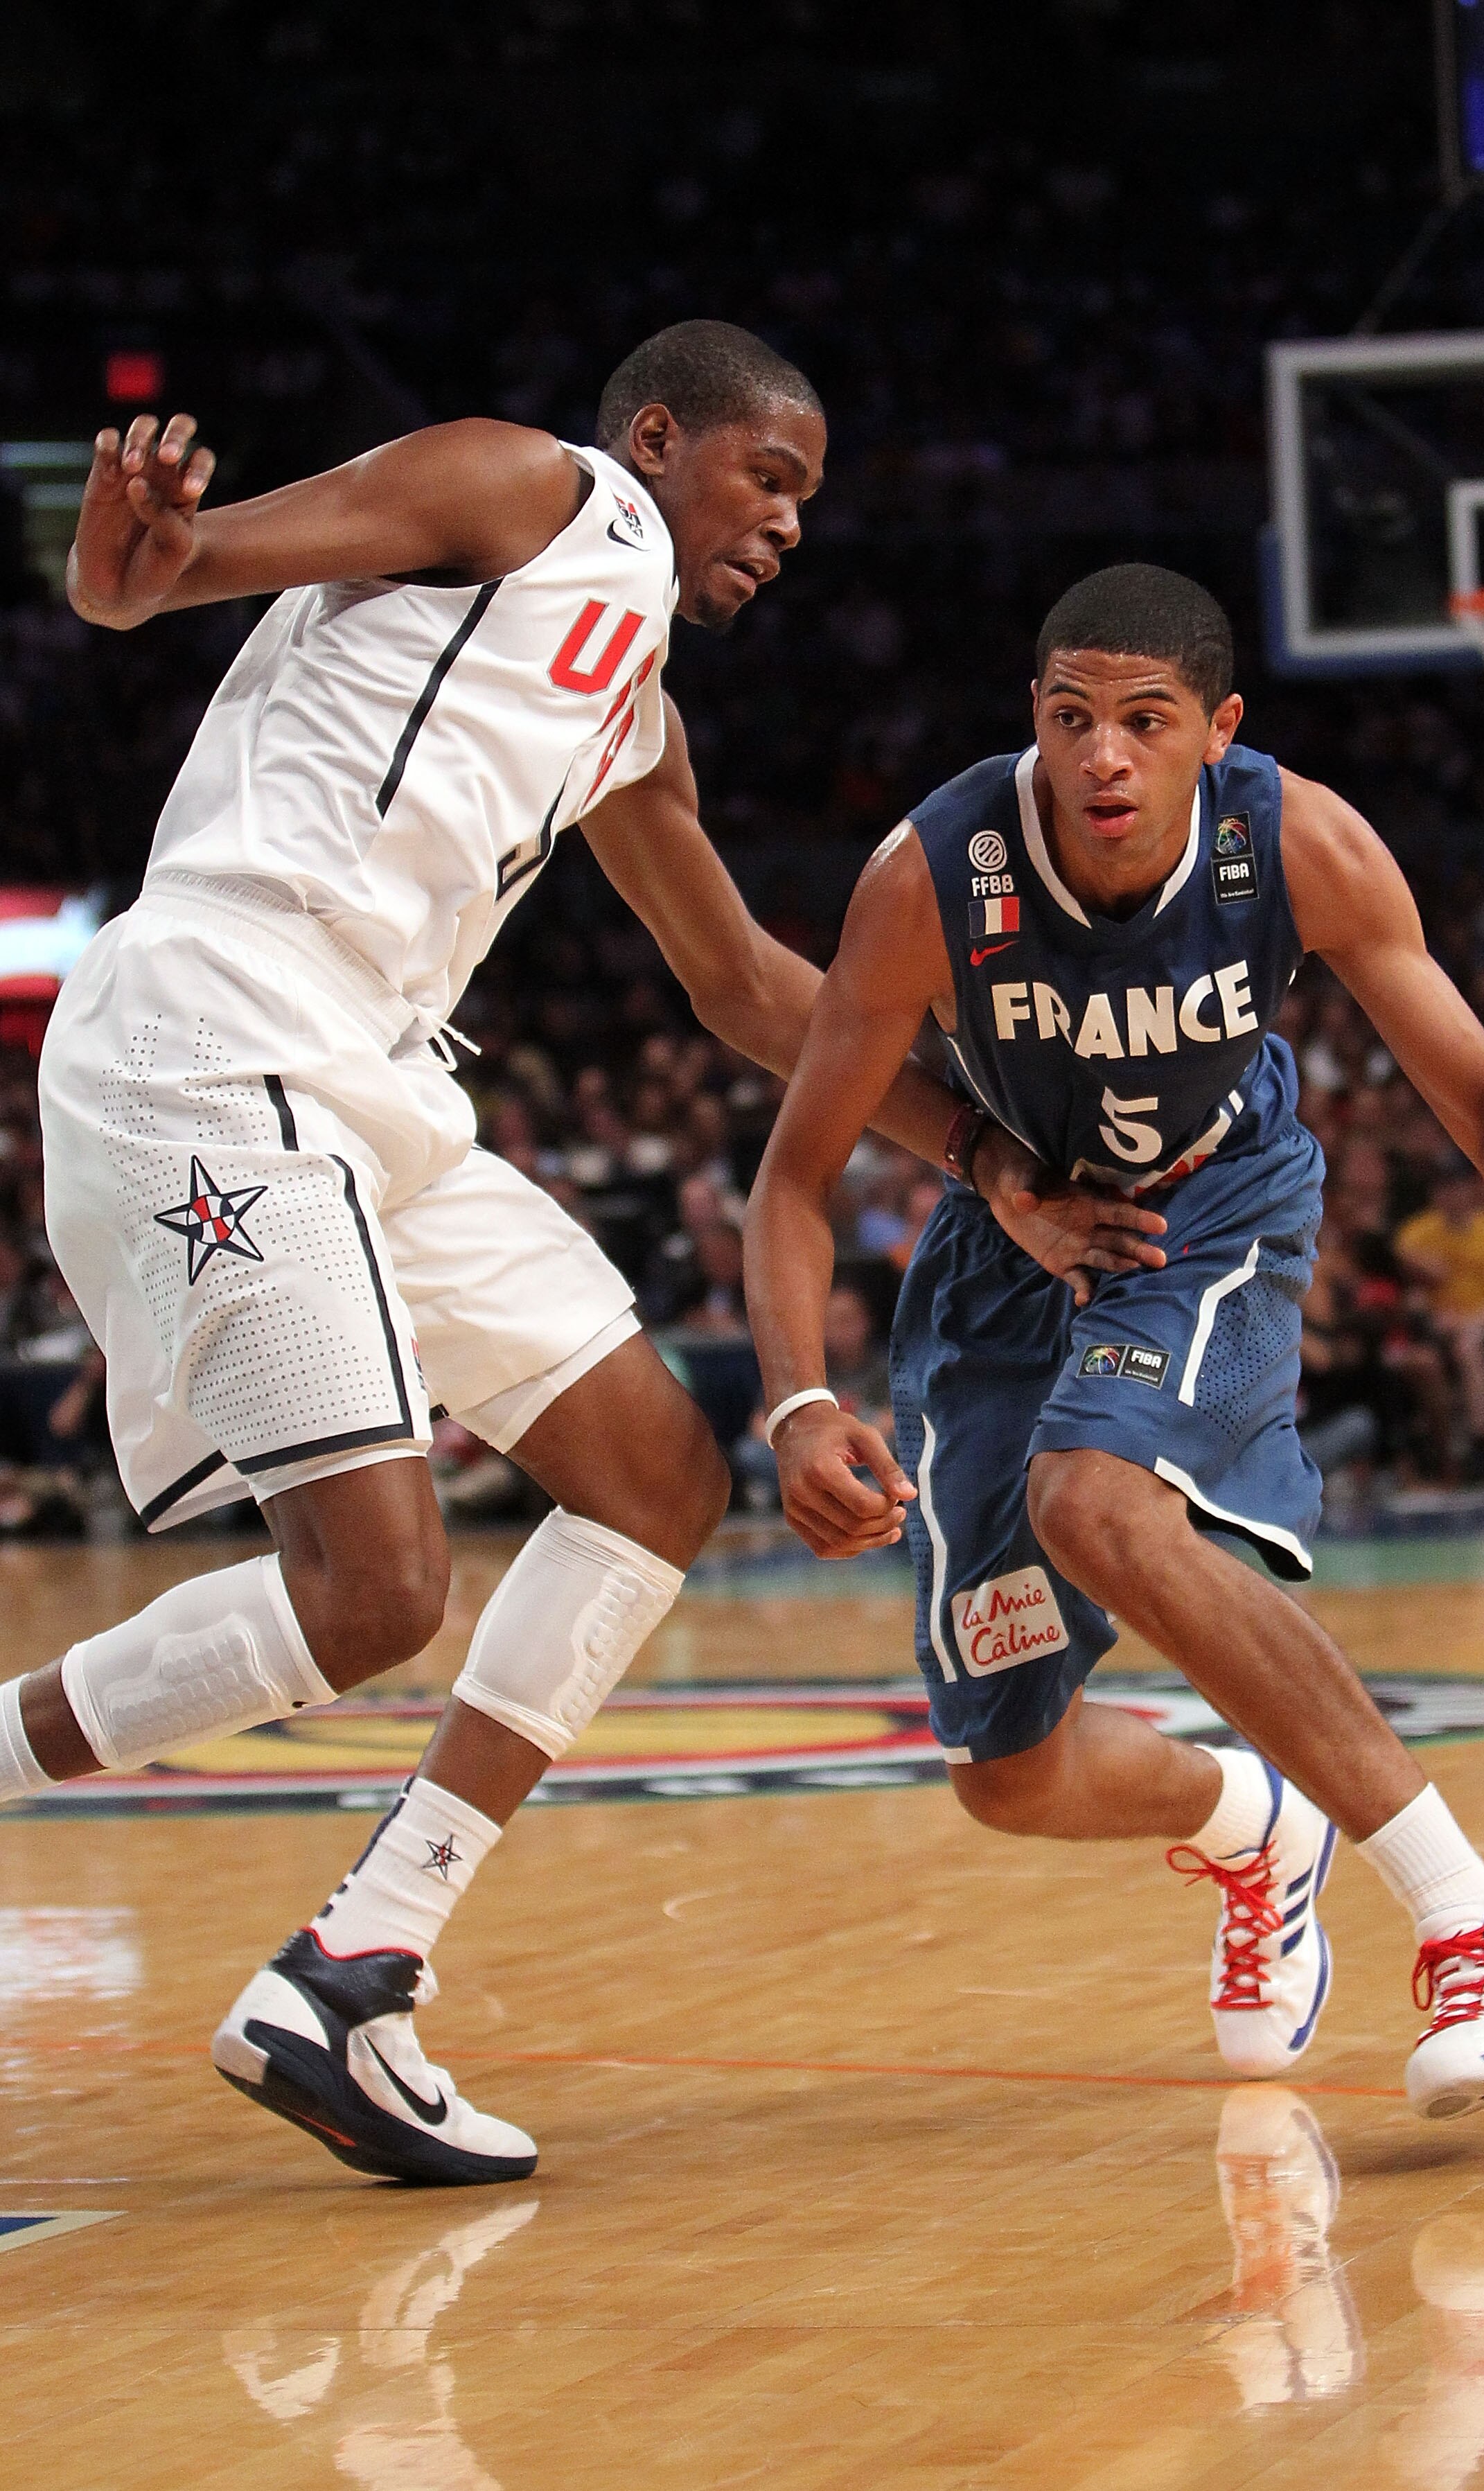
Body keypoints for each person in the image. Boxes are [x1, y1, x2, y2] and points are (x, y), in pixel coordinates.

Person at [0, 326, 1168, 2186]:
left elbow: (747, 989)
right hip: (222, 1024)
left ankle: (357, 1962)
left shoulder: (632, 708)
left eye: (808, 499)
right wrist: (130, 543)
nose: (785, 526)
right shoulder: (531, 489)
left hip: (371, 1077)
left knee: (655, 1473)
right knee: (373, 1594)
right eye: (767, 477)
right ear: (657, 437)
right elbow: (153, 580)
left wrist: (993, 1153)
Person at [744, 562, 1484, 2120]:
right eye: (1071, 720)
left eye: (1143, 721)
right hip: (1007, 1248)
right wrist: (797, 1398)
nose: (1102, 758)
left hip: (1212, 1207)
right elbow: (794, 1175)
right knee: (1009, 1769)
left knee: (1093, 1499)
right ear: (1034, 725)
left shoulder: (1298, 842)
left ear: (1216, 731)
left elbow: (1482, 1108)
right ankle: (1250, 1823)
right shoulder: (931, 875)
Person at [1395, 1156, 1484, 1470]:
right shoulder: (1417, 1232)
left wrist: (1473, 1323)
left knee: (1471, 1347)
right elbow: (1411, 1284)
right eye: (1443, 1188)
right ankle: (1442, 1450)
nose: (1450, 1196)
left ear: (1472, 1190)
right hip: (1435, 1327)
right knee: (1425, 1359)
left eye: (1457, 1187)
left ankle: (1482, 1439)